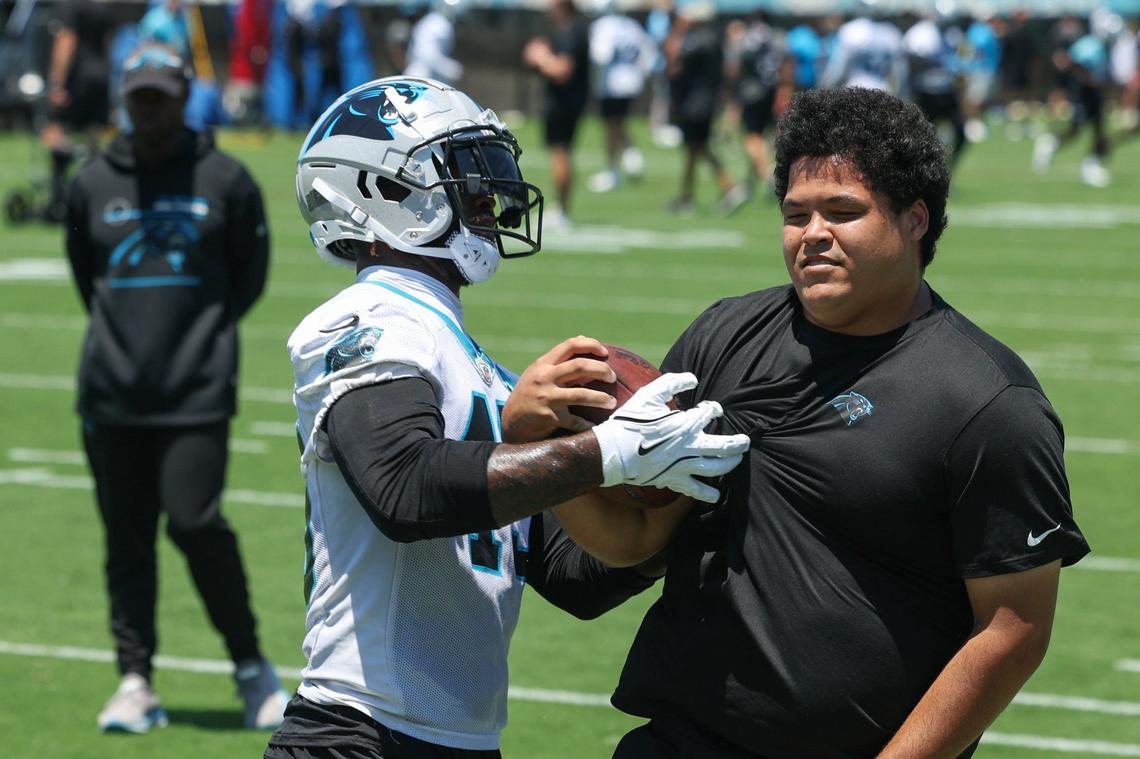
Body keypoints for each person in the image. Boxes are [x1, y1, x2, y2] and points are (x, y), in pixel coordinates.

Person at [266, 76, 750, 758]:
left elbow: (570, 573)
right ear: (382, 191)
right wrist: (608, 452)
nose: (490, 194)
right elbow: (403, 488)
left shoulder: (485, 373)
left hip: (460, 740)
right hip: (359, 732)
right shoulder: (365, 319)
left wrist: (677, 489)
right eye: (464, 171)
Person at [608, 86, 1090, 757]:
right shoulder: (722, 335)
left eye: (842, 211)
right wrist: (560, 443)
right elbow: (638, 534)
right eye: (795, 214)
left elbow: (1014, 630)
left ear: (916, 220)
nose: (812, 235)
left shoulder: (988, 399)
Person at [63, 43, 286, 735]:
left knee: (194, 522)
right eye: (140, 96)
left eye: (162, 94)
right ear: (125, 100)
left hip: (196, 392)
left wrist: (201, 342)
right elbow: (85, 275)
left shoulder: (226, 178)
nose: (150, 106)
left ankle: (252, 668)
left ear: (185, 94)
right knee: (126, 540)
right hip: (111, 395)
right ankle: (135, 680)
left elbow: (248, 276)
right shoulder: (92, 181)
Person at [663, 1, 740, 215]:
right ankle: (688, 196)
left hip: (695, 104)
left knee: (698, 147)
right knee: (694, 149)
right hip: (701, 102)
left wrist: (678, 30)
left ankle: (729, 187)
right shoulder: (712, 39)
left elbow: (673, 56)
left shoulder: (700, 40)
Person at [41, 0, 112, 223]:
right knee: (94, 141)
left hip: (77, 75)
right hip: (100, 76)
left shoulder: (69, 6)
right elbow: (108, 43)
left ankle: (58, 200)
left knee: (54, 132)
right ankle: (97, 198)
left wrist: (57, 82)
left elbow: (66, 40)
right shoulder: (102, 7)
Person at [523, 0, 590, 228]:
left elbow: (562, 70)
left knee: (561, 151)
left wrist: (540, 57)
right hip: (562, 100)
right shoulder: (563, 29)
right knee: (559, 152)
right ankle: (561, 208)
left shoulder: (573, 29)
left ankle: (562, 209)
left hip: (565, 102)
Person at [586, 0, 654, 193]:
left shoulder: (604, 27)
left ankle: (613, 170)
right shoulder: (632, 26)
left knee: (611, 126)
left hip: (611, 83)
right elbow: (647, 53)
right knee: (619, 122)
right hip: (631, 81)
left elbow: (601, 56)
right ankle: (632, 156)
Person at [1033, 24, 1113, 187]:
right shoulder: (1089, 46)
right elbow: (1075, 68)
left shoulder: (1098, 46)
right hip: (1083, 93)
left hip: (1092, 93)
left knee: (1098, 128)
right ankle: (1051, 144)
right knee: (1076, 130)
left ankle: (1092, 163)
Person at [903, 14, 967, 168]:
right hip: (927, 92)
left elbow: (961, 57)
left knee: (961, 133)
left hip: (947, 90)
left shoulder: (953, 33)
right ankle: (921, 174)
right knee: (921, 137)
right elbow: (910, 62)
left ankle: (947, 170)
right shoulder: (920, 33)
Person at [403, 0, 465, 85]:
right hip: (423, 79)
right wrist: (453, 70)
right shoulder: (438, 24)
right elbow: (427, 55)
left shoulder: (431, 21)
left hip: (425, 77)